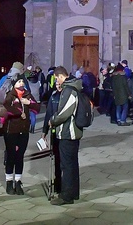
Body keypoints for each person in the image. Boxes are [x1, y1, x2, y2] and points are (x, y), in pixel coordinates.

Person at [49, 66, 83, 205]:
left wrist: (53, 120)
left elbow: (65, 112)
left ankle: (67, 196)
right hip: (72, 133)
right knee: (72, 164)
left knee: (67, 166)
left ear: (60, 76)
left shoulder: (69, 90)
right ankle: (73, 192)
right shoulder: (73, 88)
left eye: (57, 78)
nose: (57, 81)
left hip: (68, 133)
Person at [2, 75, 40, 195]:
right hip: (11, 131)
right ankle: (9, 182)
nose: (21, 83)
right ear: (14, 84)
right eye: (19, 81)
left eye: (22, 81)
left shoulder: (27, 95)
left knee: (20, 156)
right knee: (11, 156)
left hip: (23, 131)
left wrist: (28, 103)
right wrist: (19, 113)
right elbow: (5, 108)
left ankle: (18, 181)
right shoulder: (10, 96)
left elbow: (37, 107)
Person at [42, 75, 64, 195]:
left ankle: (64, 183)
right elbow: (48, 114)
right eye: (56, 84)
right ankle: (57, 182)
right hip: (54, 131)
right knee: (56, 158)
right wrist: (44, 131)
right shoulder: (53, 97)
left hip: (64, 132)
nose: (58, 86)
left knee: (63, 159)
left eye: (60, 84)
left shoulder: (66, 96)